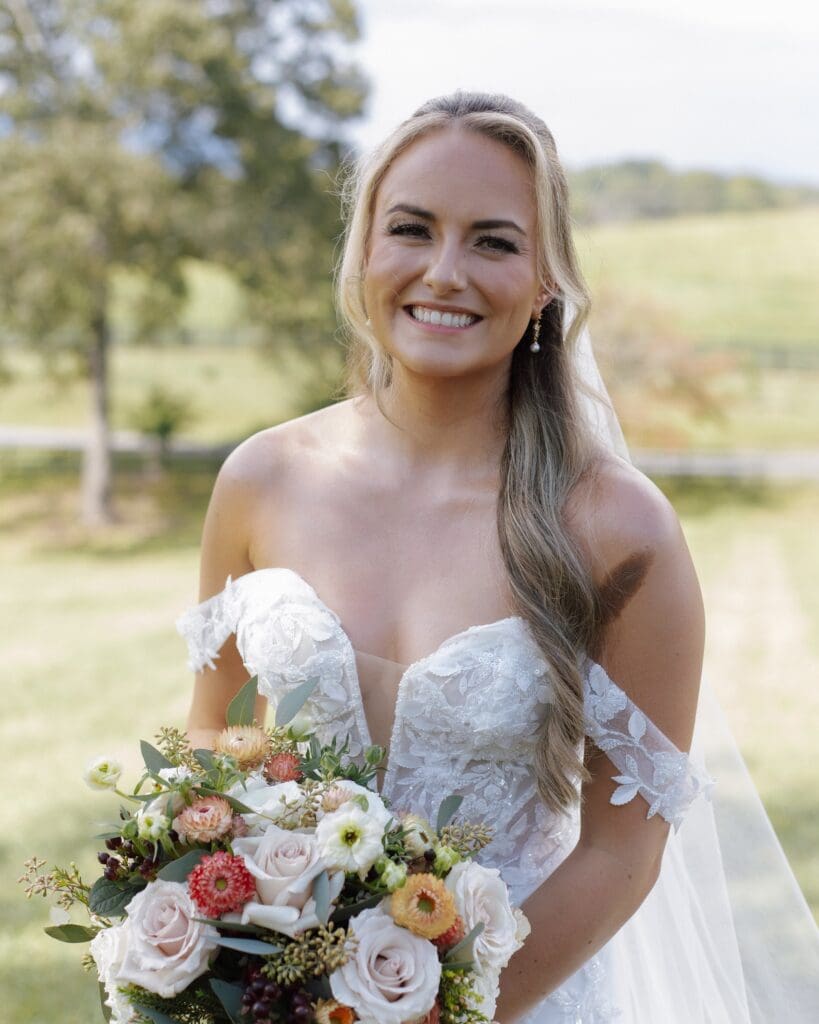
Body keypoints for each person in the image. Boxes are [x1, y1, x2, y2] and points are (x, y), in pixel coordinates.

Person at [179, 92, 819, 1022]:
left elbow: (620, 851)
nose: (443, 273)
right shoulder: (261, 480)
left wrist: (439, 1012)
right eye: (410, 229)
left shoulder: (617, 528)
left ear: (545, 280)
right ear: (363, 249)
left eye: (492, 241)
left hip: (521, 998)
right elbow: (210, 743)